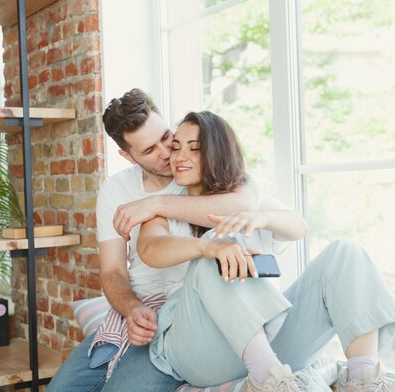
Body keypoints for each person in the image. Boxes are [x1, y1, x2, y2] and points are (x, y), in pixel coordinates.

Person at [137, 111, 395, 392]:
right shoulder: (166, 209)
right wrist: (207, 247)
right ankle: (270, 384)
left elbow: (299, 227)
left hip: (264, 345)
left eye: (194, 149)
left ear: (217, 153)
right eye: (176, 147)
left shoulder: (248, 201)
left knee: (346, 252)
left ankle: (363, 380)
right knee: (220, 248)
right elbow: (150, 248)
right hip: (199, 350)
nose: (180, 157)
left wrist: (263, 218)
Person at [46, 89, 256, 392]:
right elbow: (112, 271)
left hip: (183, 313)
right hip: (137, 309)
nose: (167, 153)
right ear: (127, 156)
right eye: (149, 150)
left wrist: (156, 204)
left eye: (166, 137)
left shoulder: (205, 172)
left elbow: (244, 204)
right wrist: (131, 310)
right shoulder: (115, 191)